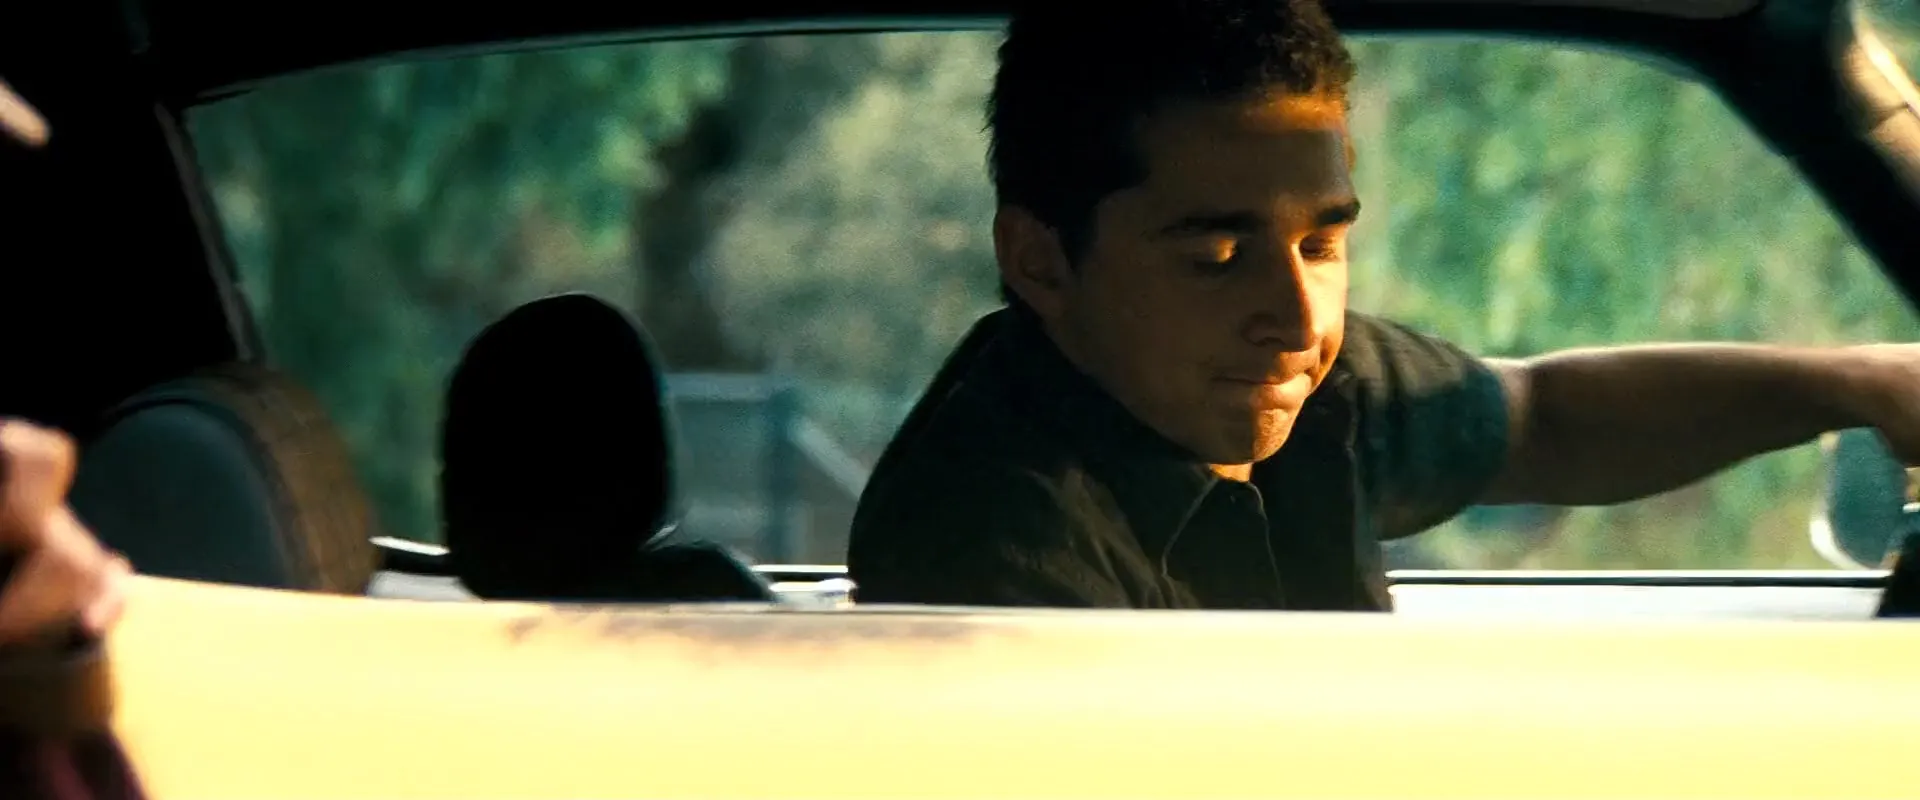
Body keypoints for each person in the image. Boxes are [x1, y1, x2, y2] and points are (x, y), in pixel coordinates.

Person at [847, 0, 1920, 610]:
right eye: (1216, 254)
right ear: (1040, 262)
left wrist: (1861, 382)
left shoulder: (1294, 378)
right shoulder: (990, 561)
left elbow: (1541, 420)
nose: (1298, 316)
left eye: (1323, 242)